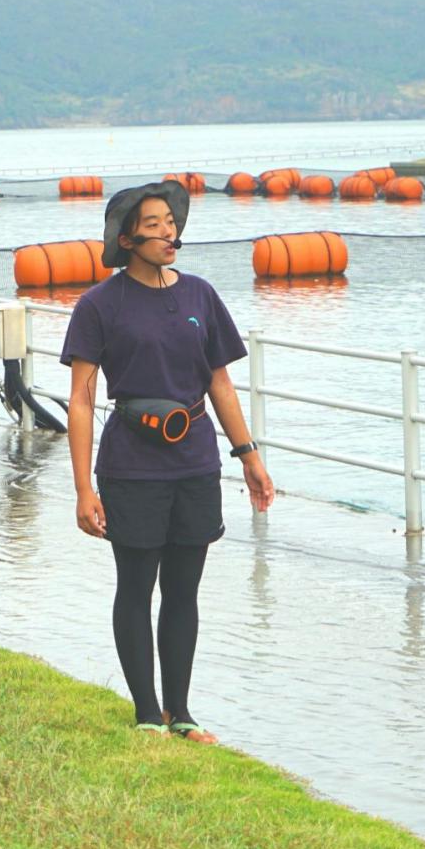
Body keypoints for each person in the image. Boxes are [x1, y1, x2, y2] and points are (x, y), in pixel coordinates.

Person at [61, 180, 274, 743]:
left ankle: (181, 713)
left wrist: (248, 454)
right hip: (130, 465)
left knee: (184, 589)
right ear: (127, 237)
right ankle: (146, 714)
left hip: (197, 462)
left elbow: (220, 384)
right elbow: (81, 400)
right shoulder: (99, 305)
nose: (167, 232)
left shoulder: (201, 296)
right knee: (136, 585)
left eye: (171, 222)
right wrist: (84, 488)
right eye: (152, 224)